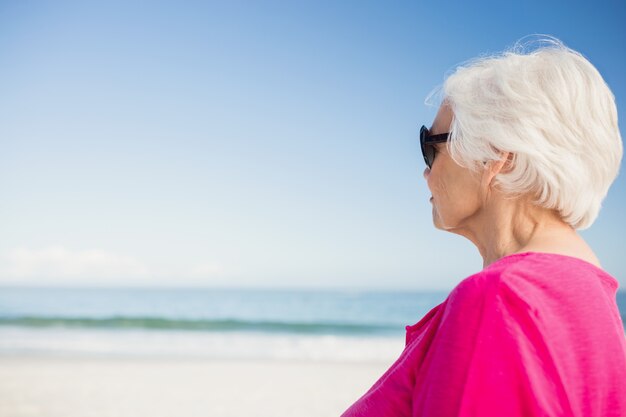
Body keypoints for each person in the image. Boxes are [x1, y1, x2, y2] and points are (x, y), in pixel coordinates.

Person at [341, 36, 626, 417]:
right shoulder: (590, 295)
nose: (425, 171)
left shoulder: (501, 298)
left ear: (496, 157)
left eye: (431, 147)